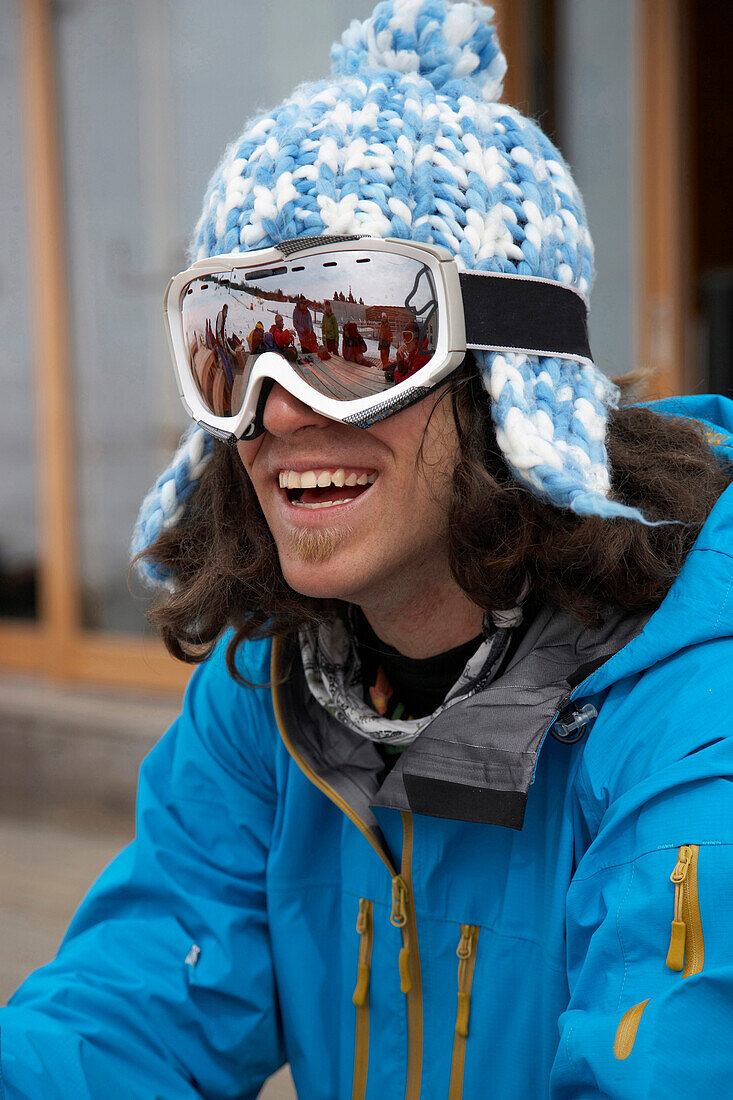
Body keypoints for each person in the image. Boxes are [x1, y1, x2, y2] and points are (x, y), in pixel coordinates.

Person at [4, 2, 733, 1098]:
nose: (280, 410)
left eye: (355, 341)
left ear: (511, 376)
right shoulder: (278, 690)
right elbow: (126, 1011)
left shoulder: (691, 707)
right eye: (232, 344)